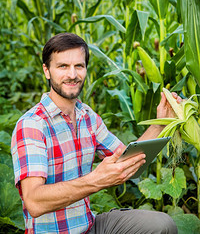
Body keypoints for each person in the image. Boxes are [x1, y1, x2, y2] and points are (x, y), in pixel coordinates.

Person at [11, 33, 178, 234]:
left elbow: (128, 162)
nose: (72, 74)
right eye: (62, 66)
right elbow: (34, 202)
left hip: (90, 226)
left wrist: (160, 123)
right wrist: (95, 180)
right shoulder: (32, 125)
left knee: (162, 225)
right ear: (47, 71)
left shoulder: (87, 116)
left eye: (79, 66)